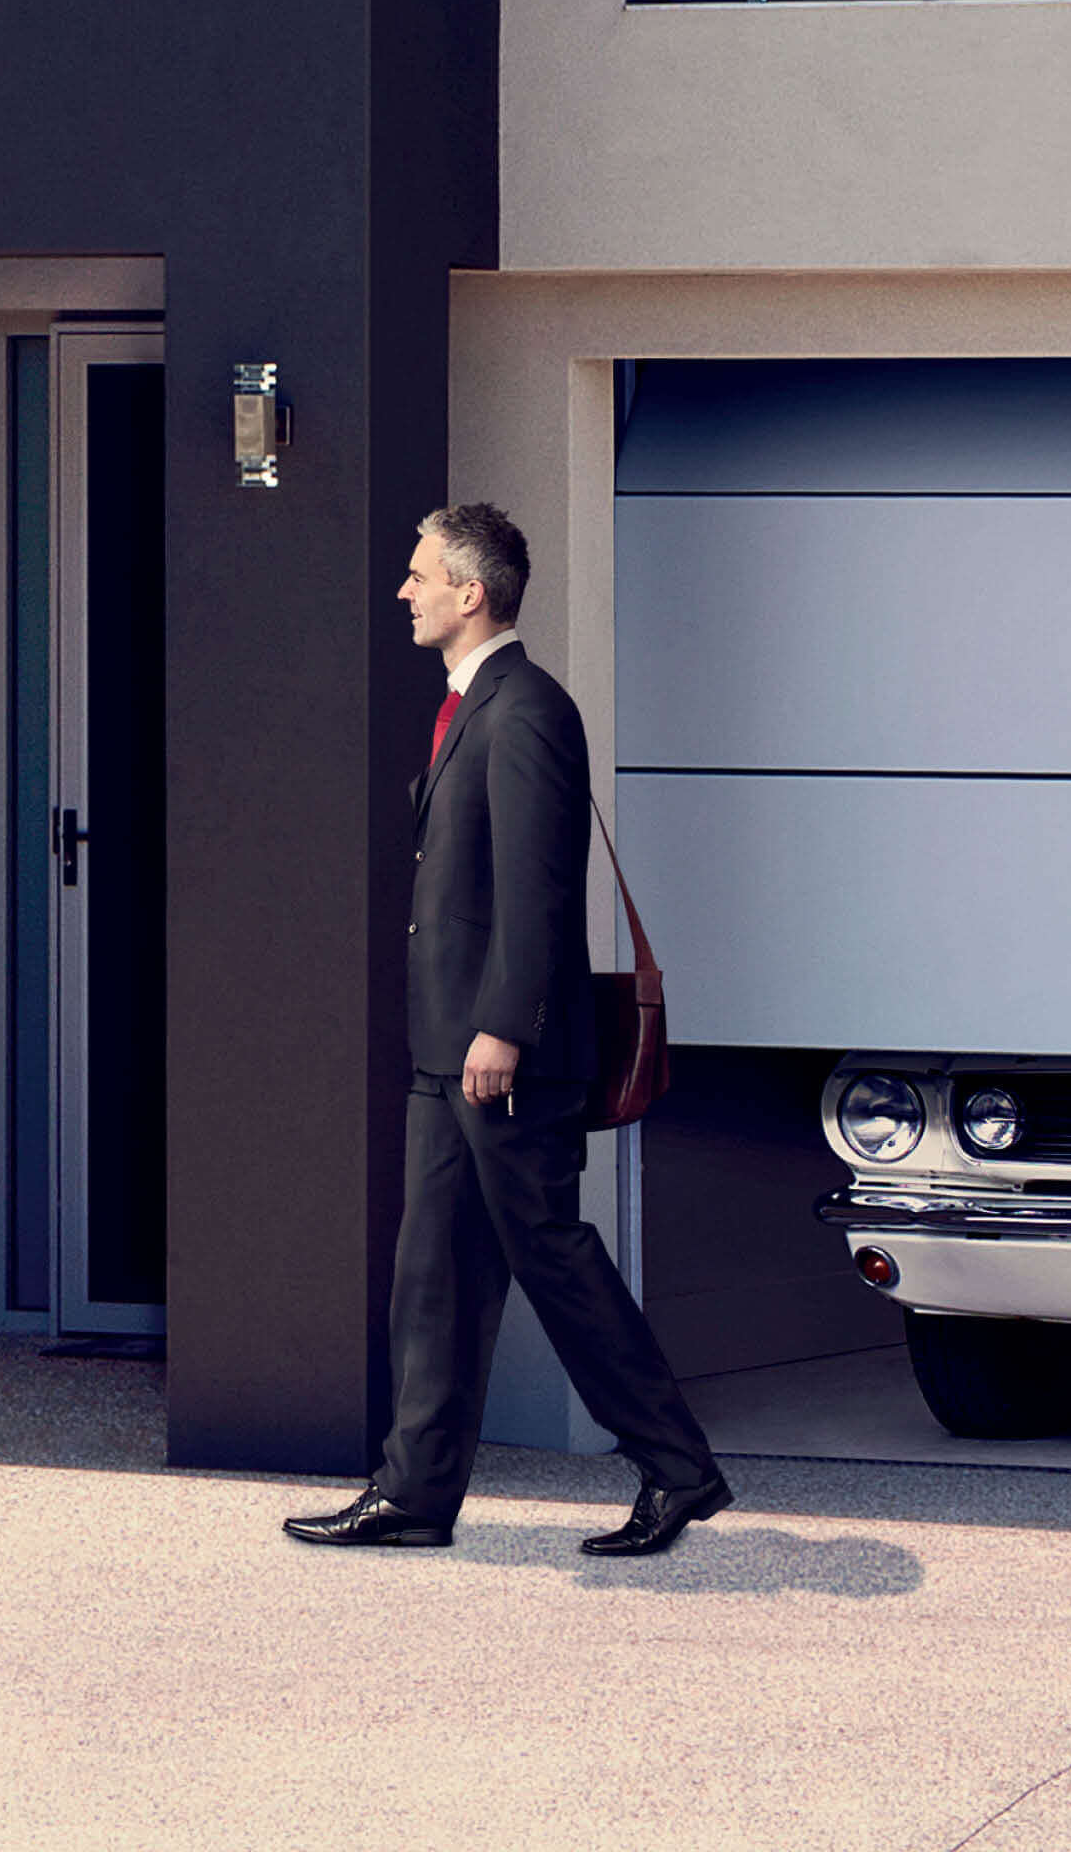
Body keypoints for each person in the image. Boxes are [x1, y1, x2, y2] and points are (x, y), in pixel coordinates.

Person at [283, 503, 732, 1558]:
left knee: (555, 1260)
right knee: (430, 1272)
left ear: (470, 592)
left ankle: (679, 1468)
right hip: (445, 1051)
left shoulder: (526, 709)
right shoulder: (469, 704)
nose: (404, 589)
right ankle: (413, 1492)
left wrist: (505, 1029)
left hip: (498, 1056)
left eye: (419, 573)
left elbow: (537, 890)